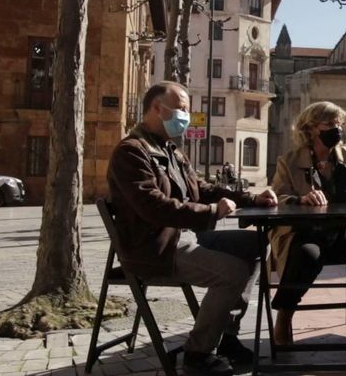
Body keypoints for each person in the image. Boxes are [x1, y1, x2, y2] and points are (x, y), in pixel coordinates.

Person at [107, 81, 278, 376]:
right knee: (233, 273)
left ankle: (226, 335)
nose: (186, 115)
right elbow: (153, 206)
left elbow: (202, 188)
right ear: (158, 108)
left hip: (181, 238)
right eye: (182, 109)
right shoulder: (131, 152)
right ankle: (198, 354)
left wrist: (251, 198)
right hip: (155, 248)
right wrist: (211, 212)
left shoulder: (170, 150)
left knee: (255, 244)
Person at [268, 101, 346, 352]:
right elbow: (277, 199)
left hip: (343, 232)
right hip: (304, 233)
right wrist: (301, 200)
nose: (337, 129)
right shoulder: (288, 161)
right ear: (311, 128)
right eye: (330, 124)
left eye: (339, 124)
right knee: (307, 256)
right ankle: (284, 316)